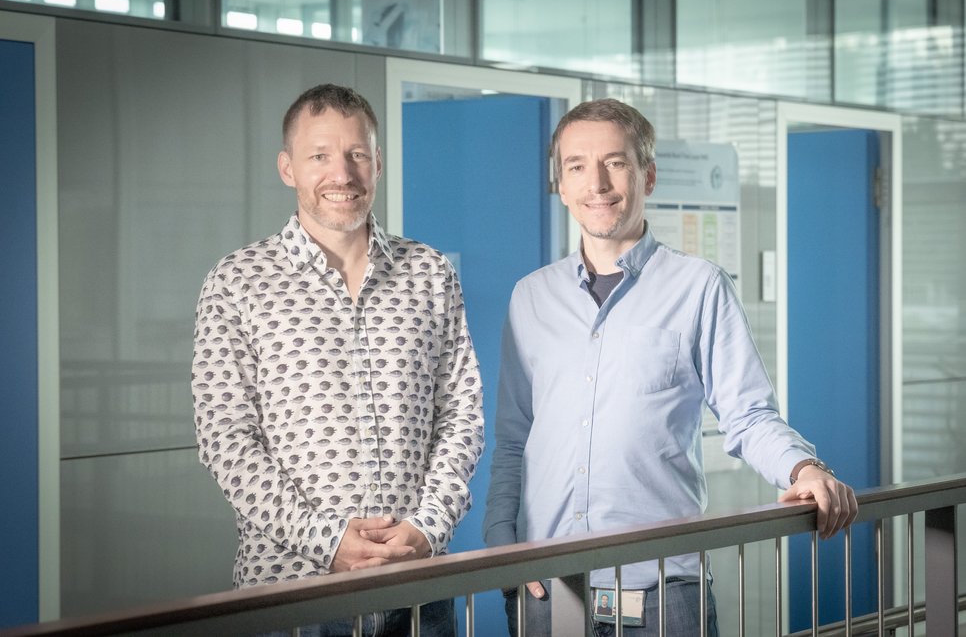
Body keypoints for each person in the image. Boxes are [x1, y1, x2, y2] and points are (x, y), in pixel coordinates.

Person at [482, 98, 859, 636]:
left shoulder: (699, 287)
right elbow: (515, 439)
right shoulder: (531, 298)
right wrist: (502, 544)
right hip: (547, 580)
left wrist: (805, 469)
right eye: (577, 166)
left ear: (648, 176)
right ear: (560, 186)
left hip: (661, 588)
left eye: (615, 162)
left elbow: (748, 415)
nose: (598, 183)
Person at [192, 83, 484, 636]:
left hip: (416, 590)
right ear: (288, 167)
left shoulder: (429, 273)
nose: (341, 175)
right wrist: (325, 541)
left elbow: (461, 415)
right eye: (320, 156)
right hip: (291, 592)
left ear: (377, 163)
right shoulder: (236, 282)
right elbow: (225, 439)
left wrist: (427, 527)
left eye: (355, 155)